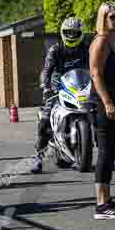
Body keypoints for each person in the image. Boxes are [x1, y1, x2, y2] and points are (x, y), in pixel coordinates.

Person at [30, 17, 92, 174]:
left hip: (82, 85)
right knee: (45, 118)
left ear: (81, 33)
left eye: (75, 33)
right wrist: (46, 86)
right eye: (68, 32)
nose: (71, 36)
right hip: (59, 86)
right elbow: (46, 70)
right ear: (63, 33)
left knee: (103, 115)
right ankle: (38, 157)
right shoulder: (55, 50)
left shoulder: (86, 48)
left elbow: (95, 66)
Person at [89, 2, 115, 220]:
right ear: (103, 19)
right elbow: (96, 74)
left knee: (112, 151)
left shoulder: (113, 41)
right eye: (112, 17)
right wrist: (107, 103)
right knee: (105, 152)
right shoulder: (101, 41)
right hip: (104, 105)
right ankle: (101, 205)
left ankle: (107, 199)